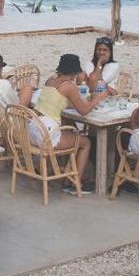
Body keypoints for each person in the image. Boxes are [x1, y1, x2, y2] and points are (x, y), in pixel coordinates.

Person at [31, 54, 109, 190]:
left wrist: (84, 102)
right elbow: (84, 111)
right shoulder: (68, 86)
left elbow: (57, 101)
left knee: (71, 132)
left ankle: (64, 172)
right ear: (74, 72)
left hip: (34, 128)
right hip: (47, 134)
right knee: (85, 142)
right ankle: (75, 183)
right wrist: (97, 99)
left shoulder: (50, 81)